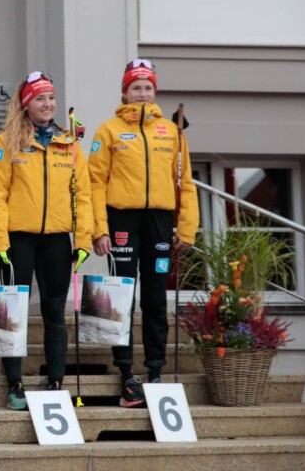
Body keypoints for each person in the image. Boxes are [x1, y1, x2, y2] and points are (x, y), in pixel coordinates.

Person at [88, 58, 199, 407]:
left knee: (154, 298)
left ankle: (155, 370)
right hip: (122, 222)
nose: (142, 93)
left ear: (155, 91)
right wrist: (98, 230)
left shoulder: (171, 131)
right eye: (136, 87)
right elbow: (94, 184)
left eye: (148, 87)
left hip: (160, 223)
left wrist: (187, 227)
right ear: (124, 92)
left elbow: (186, 183)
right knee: (121, 297)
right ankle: (126, 373)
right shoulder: (107, 131)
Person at [0, 71, 93, 410]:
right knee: (12, 311)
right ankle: (14, 382)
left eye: (51, 98)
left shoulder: (69, 143)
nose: (48, 104)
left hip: (57, 240)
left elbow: (83, 194)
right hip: (18, 240)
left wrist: (83, 240)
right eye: (40, 98)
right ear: (27, 104)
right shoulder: (7, 142)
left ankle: (56, 379)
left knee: (54, 313)